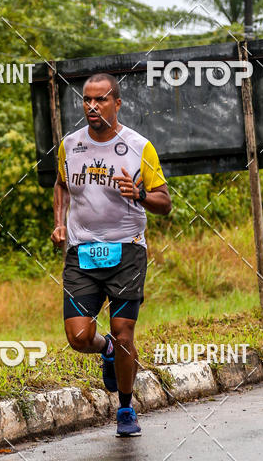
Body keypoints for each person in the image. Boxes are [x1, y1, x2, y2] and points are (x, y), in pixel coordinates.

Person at [51, 72, 172, 437]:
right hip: (81, 251)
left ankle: (124, 407)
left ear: (116, 103)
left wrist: (138, 195)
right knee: (78, 337)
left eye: (100, 99)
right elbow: (60, 185)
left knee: (124, 333)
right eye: (87, 100)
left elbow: (164, 203)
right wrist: (59, 223)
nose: (92, 106)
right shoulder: (69, 145)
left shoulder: (139, 147)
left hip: (126, 250)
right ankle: (105, 351)